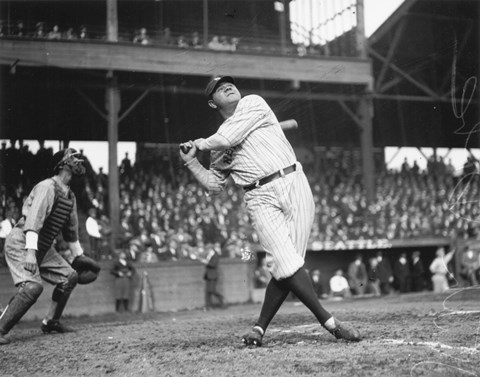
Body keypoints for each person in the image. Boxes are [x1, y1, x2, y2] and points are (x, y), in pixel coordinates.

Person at [179, 76, 360, 346]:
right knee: (286, 263)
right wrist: (192, 163)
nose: (227, 87)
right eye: (218, 89)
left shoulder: (253, 103)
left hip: (294, 182)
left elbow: (229, 135)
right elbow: (215, 185)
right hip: (259, 196)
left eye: (228, 84)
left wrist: (202, 143)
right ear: (211, 102)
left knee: (286, 267)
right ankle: (330, 323)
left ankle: (259, 328)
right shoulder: (218, 147)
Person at [0, 148, 101, 345]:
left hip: (43, 246)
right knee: (32, 287)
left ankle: (51, 321)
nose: (77, 162)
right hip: (22, 242)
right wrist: (30, 253)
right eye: (72, 159)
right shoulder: (48, 187)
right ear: (62, 165)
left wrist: (78, 257)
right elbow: (34, 220)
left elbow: (71, 232)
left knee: (69, 276)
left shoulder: (69, 196)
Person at [201, 243, 225, 309]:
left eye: (208, 249)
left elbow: (213, 264)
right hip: (208, 275)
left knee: (212, 290)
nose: (207, 250)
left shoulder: (215, 255)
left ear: (210, 249)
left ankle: (221, 299)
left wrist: (206, 262)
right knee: (208, 291)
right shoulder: (209, 255)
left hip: (213, 275)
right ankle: (208, 305)